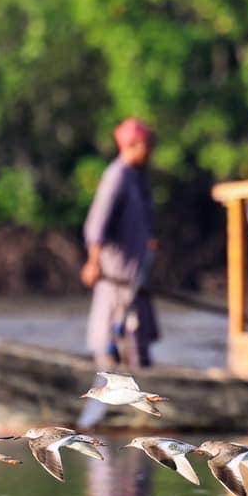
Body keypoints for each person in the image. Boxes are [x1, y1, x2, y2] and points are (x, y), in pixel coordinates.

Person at [81, 117, 159, 367]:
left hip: (136, 283)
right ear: (132, 145)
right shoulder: (116, 176)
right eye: (146, 146)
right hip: (117, 283)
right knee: (113, 347)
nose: (150, 152)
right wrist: (94, 262)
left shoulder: (137, 177)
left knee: (139, 354)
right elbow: (97, 224)